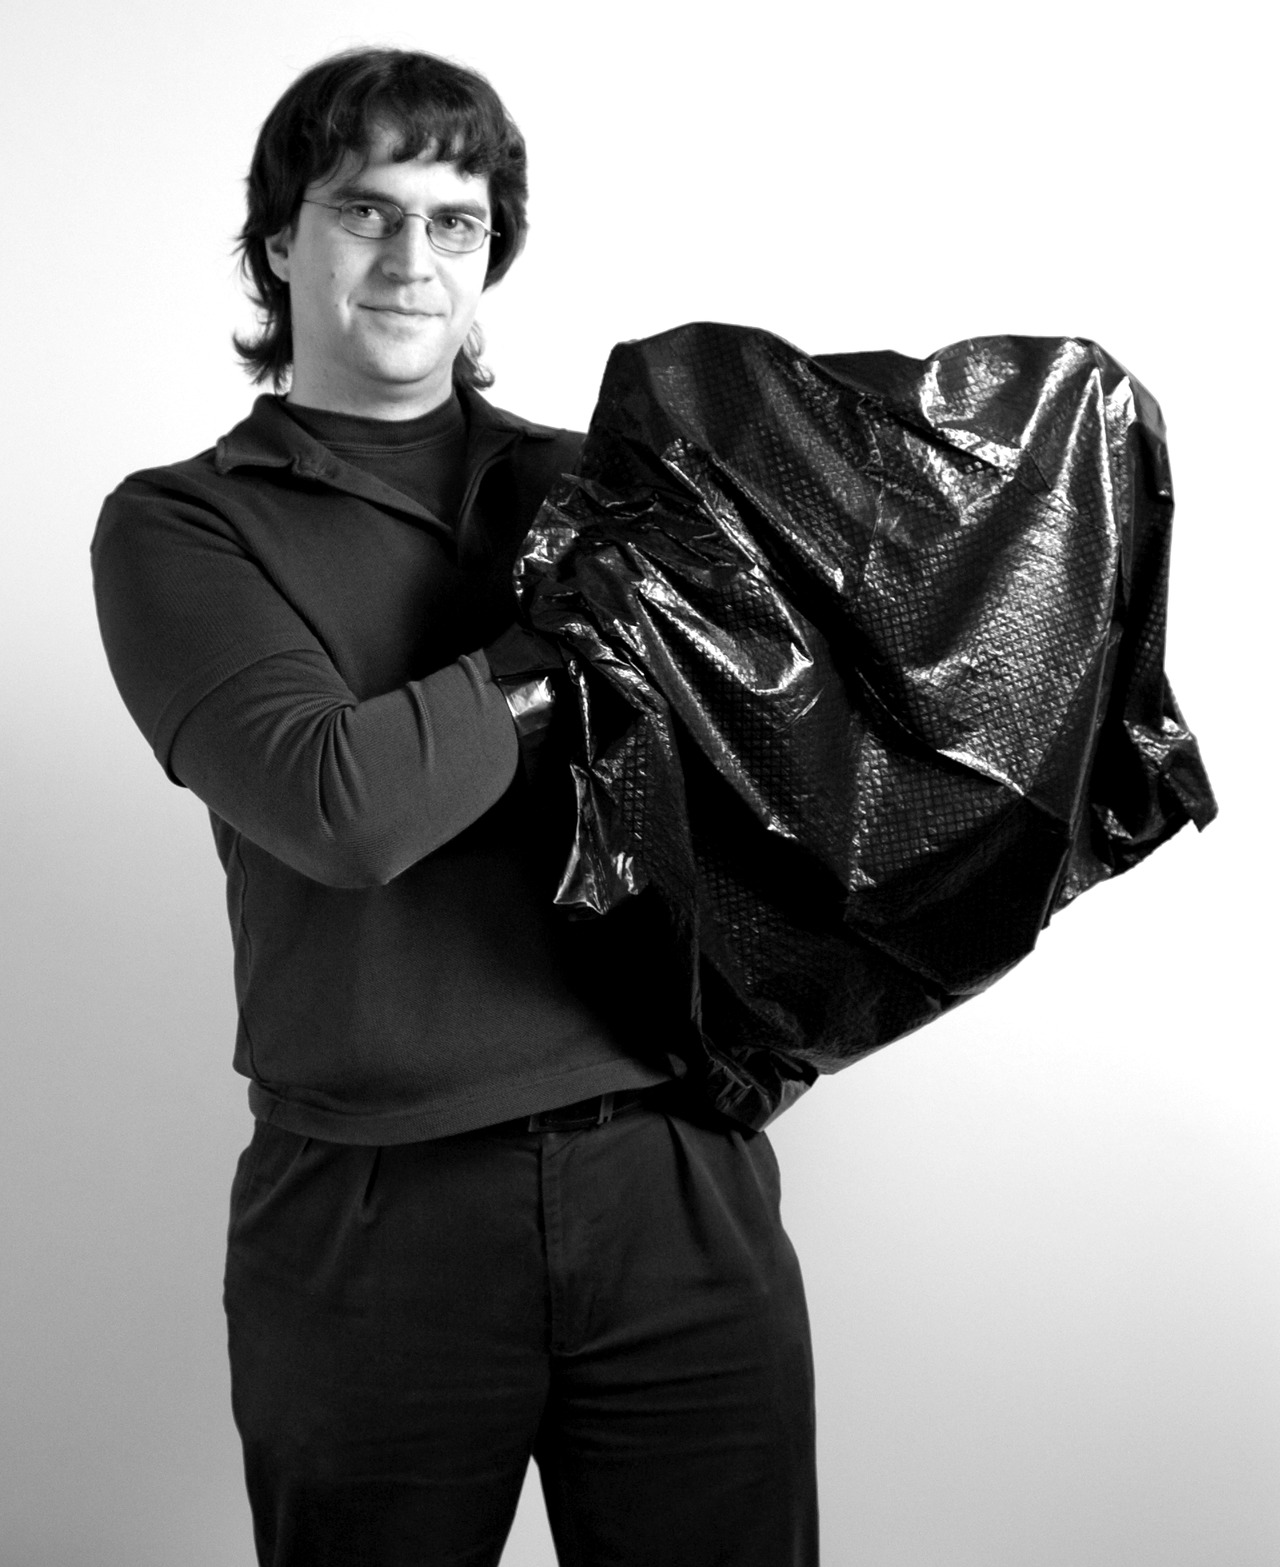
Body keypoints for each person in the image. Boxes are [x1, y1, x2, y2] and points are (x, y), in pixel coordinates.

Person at [91, 47, 818, 1567]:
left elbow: (780, 786)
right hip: (372, 1218)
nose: (410, 257)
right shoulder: (182, 525)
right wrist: (565, 646)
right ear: (279, 242)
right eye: (364, 210)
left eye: (455, 221)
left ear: (489, 259)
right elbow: (340, 806)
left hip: (675, 1177)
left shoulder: (607, 485)